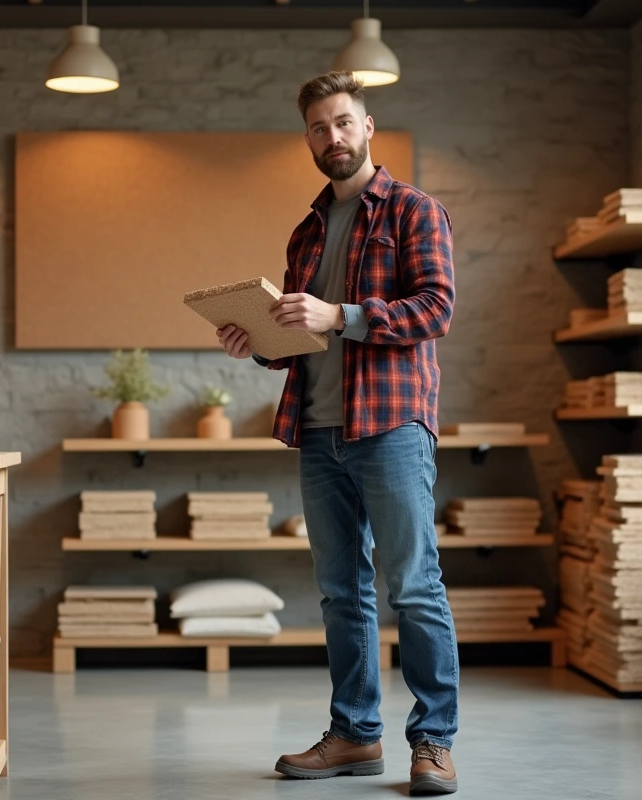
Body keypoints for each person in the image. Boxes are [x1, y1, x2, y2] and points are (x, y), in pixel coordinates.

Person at [216, 71, 459, 796]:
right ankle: (355, 734)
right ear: (309, 139)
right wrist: (255, 338)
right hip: (319, 432)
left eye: (344, 122)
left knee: (413, 587)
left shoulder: (415, 210)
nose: (333, 137)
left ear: (368, 125)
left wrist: (341, 314)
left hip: (391, 426)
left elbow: (436, 309)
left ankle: (434, 742)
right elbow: (299, 337)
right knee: (340, 593)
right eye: (319, 128)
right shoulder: (308, 229)